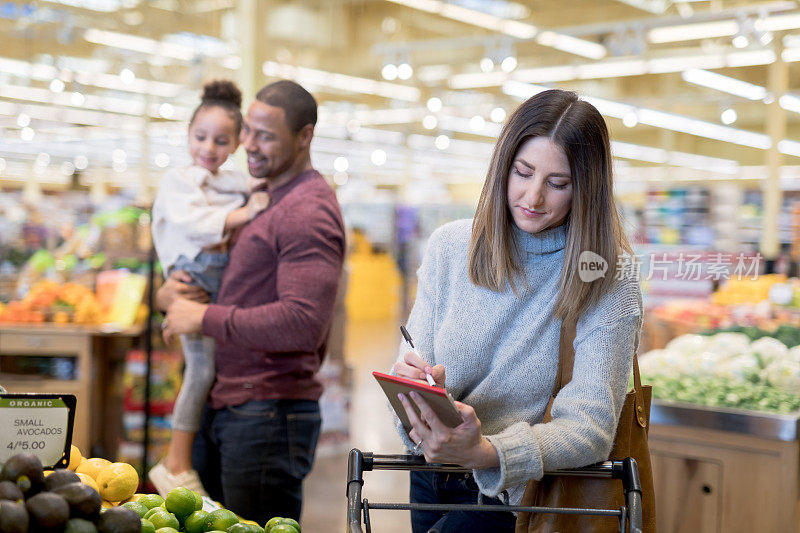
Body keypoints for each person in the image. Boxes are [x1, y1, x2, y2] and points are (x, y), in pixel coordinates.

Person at [392, 88, 642, 533]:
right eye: (522, 172)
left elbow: (591, 425)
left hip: (518, 498)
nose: (533, 196)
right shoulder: (451, 247)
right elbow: (415, 355)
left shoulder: (605, 274)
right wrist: (412, 389)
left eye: (558, 183)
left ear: (587, 188)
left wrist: (487, 452)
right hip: (429, 477)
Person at [157, 79, 345, 524]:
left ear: (305, 136)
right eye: (248, 132)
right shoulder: (260, 196)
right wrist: (169, 294)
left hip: (267, 412)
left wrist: (202, 315)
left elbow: (303, 323)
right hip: (232, 403)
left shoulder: (307, 211)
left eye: (266, 136)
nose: (249, 146)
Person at [149, 79, 269, 497]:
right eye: (200, 137)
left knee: (208, 367)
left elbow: (256, 190)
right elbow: (194, 225)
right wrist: (245, 214)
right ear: (187, 134)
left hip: (214, 281)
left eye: (221, 140)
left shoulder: (230, 181)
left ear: (236, 143)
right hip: (197, 276)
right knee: (201, 368)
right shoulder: (181, 180)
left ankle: (181, 459)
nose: (208, 148)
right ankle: (175, 462)